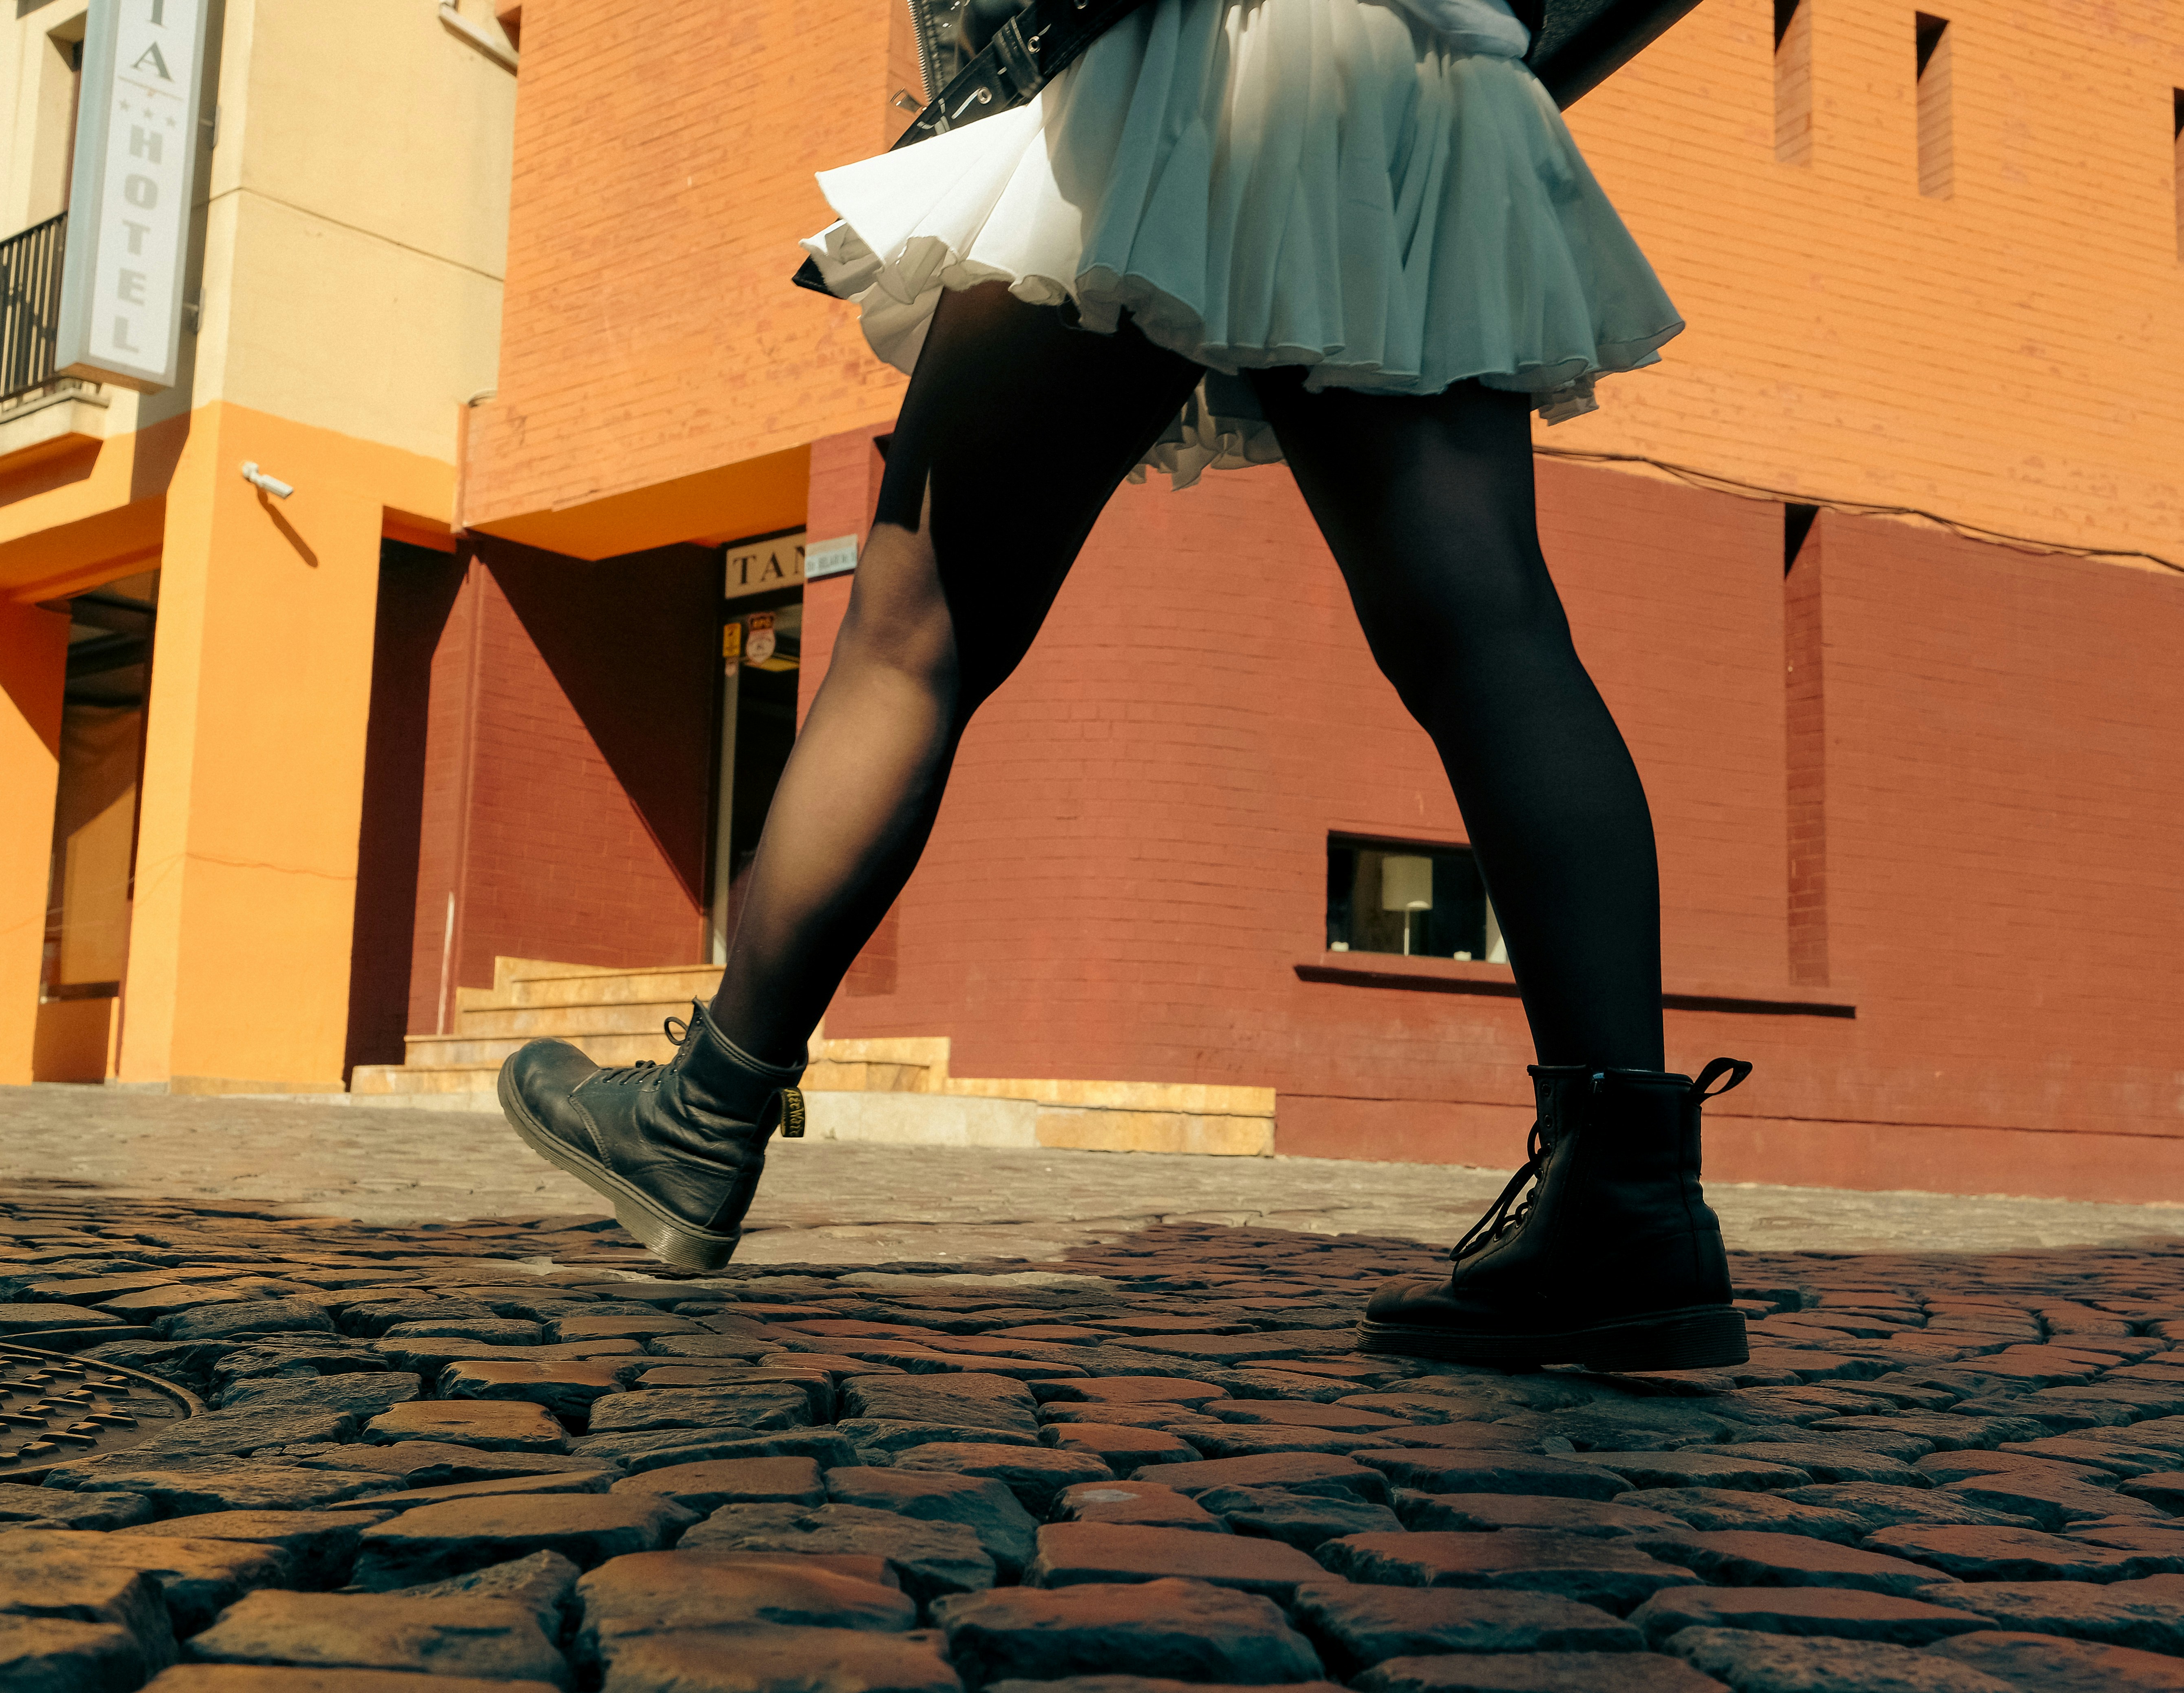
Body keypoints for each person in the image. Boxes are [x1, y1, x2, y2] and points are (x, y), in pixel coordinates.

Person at [497, 0, 1754, 1372]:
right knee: (1492, 637)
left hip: (1200, 65)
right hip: (1444, 87)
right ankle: (1626, 1199)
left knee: (914, 631)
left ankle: (704, 1112)